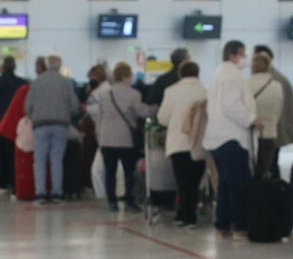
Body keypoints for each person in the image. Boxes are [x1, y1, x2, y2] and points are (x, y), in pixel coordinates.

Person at [203, 40, 258, 238]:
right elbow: (231, 105)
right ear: (233, 55)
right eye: (242, 54)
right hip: (231, 137)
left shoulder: (219, 73)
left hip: (218, 137)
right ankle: (240, 225)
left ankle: (223, 223)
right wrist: (251, 119)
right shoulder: (232, 75)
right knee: (237, 184)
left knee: (225, 184)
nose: (245, 58)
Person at [88, 62, 154, 211]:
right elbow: (143, 112)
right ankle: (129, 200)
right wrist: (155, 108)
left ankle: (112, 202)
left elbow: (99, 118)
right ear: (126, 77)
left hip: (106, 138)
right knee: (128, 171)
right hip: (125, 139)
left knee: (109, 171)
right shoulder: (133, 94)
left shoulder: (105, 94)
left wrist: (99, 137)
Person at [156, 60, 208, 228]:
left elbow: (162, 118)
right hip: (199, 143)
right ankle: (185, 214)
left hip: (177, 143)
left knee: (182, 181)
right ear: (198, 73)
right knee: (194, 182)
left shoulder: (171, 91)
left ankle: (186, 216)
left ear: (180, 74)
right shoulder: (206, 92)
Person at [25, 53, 80, 204]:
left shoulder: (37, 82)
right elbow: (74, 106)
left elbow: (28, 106)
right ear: (60, 65)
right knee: (57, 159)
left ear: (47, 65)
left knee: (39, 160)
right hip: (61, 124)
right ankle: (57, 193)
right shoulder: (66, 82)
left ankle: (40, 193)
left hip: (40, 124)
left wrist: (32, 114)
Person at [254, 45, 293, 173]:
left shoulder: (273, 80)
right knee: (271, 162)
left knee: (267, 164)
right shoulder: (279, 78)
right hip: (276, 129)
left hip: (270, 130)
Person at [0, 56, 25, 192]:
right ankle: (14, 181)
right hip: (17, 123)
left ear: (3, 67)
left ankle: (1, 182)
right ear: (15, 67)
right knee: (15, 153)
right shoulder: (21, 83)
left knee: (0, 154)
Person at [247, 53, 284, 177]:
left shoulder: (246, 85)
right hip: (270, 133)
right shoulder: (277, 86)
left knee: (250, 171)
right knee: (264, 170)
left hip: (250, 134)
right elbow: (279, 110)